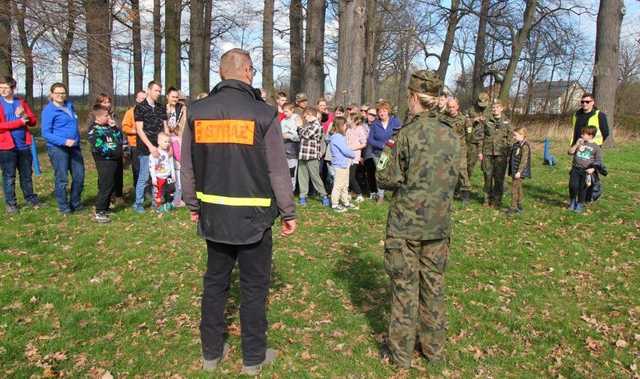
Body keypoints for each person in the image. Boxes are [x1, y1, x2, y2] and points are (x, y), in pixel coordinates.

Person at [181, 48, 296, 375]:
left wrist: (192, 205)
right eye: (252, 70)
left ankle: (210, 355)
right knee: (254, 289)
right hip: (255, 220)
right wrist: (288, 212)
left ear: (221, 73)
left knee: (215, 285)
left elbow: (186, 166)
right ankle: (252, 360)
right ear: (246, 71)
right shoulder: (264, 114)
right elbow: (278, 170)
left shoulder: (196, 111)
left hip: (214, 215)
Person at [376, 70, 459, 369]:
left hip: (406, 226)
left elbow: (385, 177)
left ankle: (400, 355)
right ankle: (434, 351)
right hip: (438, 225)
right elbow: (459, 179)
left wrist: (386, 151)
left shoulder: (406, 135)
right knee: (434, 287)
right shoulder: (452, 134)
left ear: (414, 98)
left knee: (405, 289)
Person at [41, 82, 84, 214]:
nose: (60, 95)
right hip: (58, 148)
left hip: (75, 147)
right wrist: (64, 141)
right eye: (57, 93)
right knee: (62, 179)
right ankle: (64, 206)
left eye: (63, 93)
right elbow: (46, 133)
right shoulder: (49, 111)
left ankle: (75, 203)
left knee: (79, 176)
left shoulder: (70, 105)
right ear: (52, 94)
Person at [0, 76, 39, 214]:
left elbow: (33, 121)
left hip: (23, 145)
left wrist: (24, 116)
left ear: (13, 88)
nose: (3, 90)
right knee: (9, 176)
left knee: (27, 175)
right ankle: (11, 204)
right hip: (6, 147)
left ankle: (30, 198)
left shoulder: (20, 102)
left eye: (5, 87)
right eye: (0, 88)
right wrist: (19, 122)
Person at [132, 80, 168, 213]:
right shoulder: (140, 107)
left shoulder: (160, 107)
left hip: (160, 148)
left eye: (160, 91)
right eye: (156, 90)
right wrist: (151, 147)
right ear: (148, 90)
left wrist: (166, 144)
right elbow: (140, 130)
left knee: (158, 176)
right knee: (144, 176)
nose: (158, 93)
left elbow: (165, 127)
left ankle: (156, 202)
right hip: (145, 148)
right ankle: (138, 203)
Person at [87, 105, 124, 223]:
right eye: (106, 115)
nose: (108, 117)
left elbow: (120, 139)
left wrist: (115, 129)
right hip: (104, 161)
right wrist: (114, 153)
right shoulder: (94, 130)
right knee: (105, 185)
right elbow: (99, 146)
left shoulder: (109, 127)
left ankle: (106, 208)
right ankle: (100, 211)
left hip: (114, 160)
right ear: (98, 117)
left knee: (111, 184)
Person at [367, 100, 401, 203]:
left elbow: (399, 135)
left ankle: (397, 196)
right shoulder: (375, 124)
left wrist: (392, 144)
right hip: (378, 154)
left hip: (391, 153)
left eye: (384, 111)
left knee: (393, 174)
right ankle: (380, 197)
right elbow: (370, 139)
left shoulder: (395, 121)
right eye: (380, 111)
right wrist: (381, 145)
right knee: (381, 174)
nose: (382, 113)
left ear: (388, 111)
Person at [480, 100, 512, 208]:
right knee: (487, 176)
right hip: (487, 152)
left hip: (501, 154)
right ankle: (486, 199)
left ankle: (497, 200)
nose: (495, 109)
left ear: (502, 108)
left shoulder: (507, 121)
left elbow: (510, 137)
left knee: (499, 178)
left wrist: (507, 149)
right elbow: (481, 136)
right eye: (493, 107)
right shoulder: (486, 120)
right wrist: (480, 151)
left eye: (497, 107)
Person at [440, 98, 471, 205]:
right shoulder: (442, 118)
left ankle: (465, 193)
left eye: (453, 107)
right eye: (449, 107)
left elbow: (469, 135)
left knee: (462, 171)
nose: (451, 109)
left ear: (457, 106)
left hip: (460, 149)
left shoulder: (464, 119)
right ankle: (446, 193)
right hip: (447, 148)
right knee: (446, 170)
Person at [297, 107, 330, 206]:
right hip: (303, 155)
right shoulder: (307, 125)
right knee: (302, 177)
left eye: (305, 116)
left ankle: (324, 195)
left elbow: (306, 134)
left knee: (315, 177)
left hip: (312, 156)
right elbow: (301, 135)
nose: (304, 118)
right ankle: (303, 196)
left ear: (311, 115)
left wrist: (299, 127)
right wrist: (301, 130)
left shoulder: (317, 126)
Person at [567, 126, 603, 213]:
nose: (582, 135)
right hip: (575, 168)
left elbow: (598, 161)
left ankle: (580, 204)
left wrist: (593, 169)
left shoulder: (596, 147)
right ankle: (572, 201)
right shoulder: (579, 143)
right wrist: (576, 144)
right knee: (573, 186)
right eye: (582, 133)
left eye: (584, 134)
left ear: (591, 136)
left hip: (586, 171)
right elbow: (570, 152)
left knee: (582, 188)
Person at [328, 116, 356, 212]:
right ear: (340, 126)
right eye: (345, 125)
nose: (346, 127)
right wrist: (353, 154)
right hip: (339, 166)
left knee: (345, 185)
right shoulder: (336, 137)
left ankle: (345, 202)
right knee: (338, 186)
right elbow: (345, 151)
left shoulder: (340, 137)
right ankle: (335, 204)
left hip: (344, 165)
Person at [166, 87, 187, 207]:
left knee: (178, 170)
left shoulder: (182, 109)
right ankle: (166, 196)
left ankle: (179, 197)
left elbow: (183, 126)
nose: (175, 99)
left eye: (176, 97)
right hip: (166, 142)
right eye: (173, 97)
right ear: (167, 97)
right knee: (168, 170)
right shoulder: (163, 109)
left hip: (178, 142)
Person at [121, 91, 146, 191]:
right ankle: (138, 190)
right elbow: (124, 127)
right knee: (137, 169)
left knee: (147, 168)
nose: (143, 101)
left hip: (147, 144)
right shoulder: (130, 112)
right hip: (135, 144)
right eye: (141, 99)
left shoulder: (149, 112)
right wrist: (136, 131)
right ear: (136, 99)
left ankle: (147, 190)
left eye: (144, 99)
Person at [466, 92, 491, 181]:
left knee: (488, 167)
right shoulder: (472, 109)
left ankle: (491, 190)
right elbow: (465, 121)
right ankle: (464, 184)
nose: (482, 106)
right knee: (469, 164)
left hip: (487, 141)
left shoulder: (492, 110)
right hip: (474, 141)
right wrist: (474, 120)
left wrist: (487, 122)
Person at [149, 132, 176, 212]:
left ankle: (166, 204)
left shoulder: (168, 153)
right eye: (165, 142)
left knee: (169, 190)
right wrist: (153, 178)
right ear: (158, 142)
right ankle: (156, 206)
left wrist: (173, 174)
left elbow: (171, 164)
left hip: (167, 176)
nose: (167, 144)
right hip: (158, 177)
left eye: (168, 142)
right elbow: (152, 167)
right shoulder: (154, 154)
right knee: (157, 193)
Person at [507, 127, 531, 215]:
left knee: (514, 189)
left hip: (519, 172)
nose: (514, 137)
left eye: (515, 135)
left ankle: (513, 207)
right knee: (519, 188)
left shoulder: (525, 146)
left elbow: (524, 161)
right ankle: (520, 204)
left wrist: (519, 172)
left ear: (522, 135)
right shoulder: (516, 144)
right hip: (514, 170)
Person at [346, 114, 368, 203]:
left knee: (351, 177)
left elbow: (364, 143)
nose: (347, 120)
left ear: (354, 120)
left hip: (354, 157)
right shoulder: (348, 129)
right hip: (346, 156)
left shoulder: (360, 129)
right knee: (346, 176)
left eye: (348, 119)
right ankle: (348, 193)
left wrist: (353, 148)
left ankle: (359, 194)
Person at [281, 102, 301, 190]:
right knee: (284, 170)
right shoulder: (283, 121)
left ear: (292, 110)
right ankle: (285, 188)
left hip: (293, 149)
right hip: (284, 148)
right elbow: (281, 133)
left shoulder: (296, 118)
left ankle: (292, 189)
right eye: (284, 112)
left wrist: (289, 135)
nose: (285, 113)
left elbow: (299, 135)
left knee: (292, 170)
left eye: (286, 111)